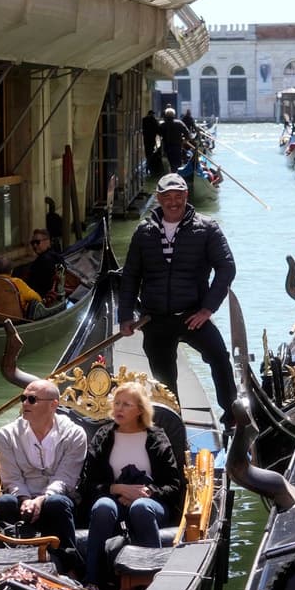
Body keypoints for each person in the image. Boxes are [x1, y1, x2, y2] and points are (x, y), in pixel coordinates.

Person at [118, 173, 238, 430]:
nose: (173, 202)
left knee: (219, 357)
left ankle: (232, 417)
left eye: (178, 196)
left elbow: (226, 268)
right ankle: (173, 428)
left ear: (186, 196)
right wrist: (125, 315)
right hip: (155, 318)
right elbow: (130, 275)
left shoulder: (207, 228)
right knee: (164, 381)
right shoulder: (144, 232)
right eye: (167, 197)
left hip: (192, 315)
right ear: (159, 199)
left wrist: (207, 309)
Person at [79, 382, 183, 590]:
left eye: (126, 404)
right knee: (102, 507)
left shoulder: (157, 437)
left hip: (151, 503)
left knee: (141, 508)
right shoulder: (103, 436)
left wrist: (148, 493)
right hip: (113, 500)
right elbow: (88, 483)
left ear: (140, 410)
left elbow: (173, 484)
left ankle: (153, 578)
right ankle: (92, 581)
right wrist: (117, 489)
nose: (118, 408)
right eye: (116, 403)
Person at [0, 379, 87, 559]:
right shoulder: (6, 435)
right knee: (5, 502)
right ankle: (8, 560)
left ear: (53, 405)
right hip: (22, 497)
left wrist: (42, 499)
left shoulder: (74, 434)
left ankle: (70, 566)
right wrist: (25, 499)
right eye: (23, 398)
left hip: (59, 498)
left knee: (56, 503)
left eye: (32, 399)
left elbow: (66, 477)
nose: (25, 403)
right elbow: (11, 478)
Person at [27, 228, 66, 300]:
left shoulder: (42, 261)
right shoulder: (57, 257)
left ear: (47, 242)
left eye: (37, 242)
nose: (34, 246)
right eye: (32, 243)